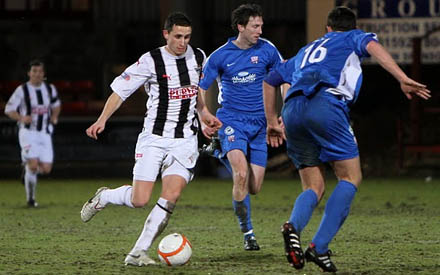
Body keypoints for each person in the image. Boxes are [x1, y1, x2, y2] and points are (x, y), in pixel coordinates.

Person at [263, 6, 431, 272]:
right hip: (326, 104)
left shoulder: (307, 50)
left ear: (327, 28)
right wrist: (402, 78)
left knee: (313, 187)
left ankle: (293, 226)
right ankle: (318, 247)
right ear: (352, 28)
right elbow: (373, 46)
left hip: (292, 110)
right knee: (350, 177)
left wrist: (272, 121)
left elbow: (271, 79)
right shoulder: (353, 37)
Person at [80, 12, 221, 266]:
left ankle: (137, 253)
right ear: (166, 34)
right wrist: (102, 119)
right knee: (140, 199)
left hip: (184, 141)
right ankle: (105, 197)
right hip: (154, 138)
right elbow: (120, 91)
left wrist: (205, 115)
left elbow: (195, 96)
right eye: (177, 36)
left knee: (171, 196)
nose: (183, 42)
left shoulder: (199, 57)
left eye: (187, 37)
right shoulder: (151, 60)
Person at [198, 3, 283, 251]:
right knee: (241, 175)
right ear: (241, 27)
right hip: (232, 121)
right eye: (255, 26)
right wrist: (204, 114)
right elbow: (200, 89)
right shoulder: (220, 55)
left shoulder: (268, 50)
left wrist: (281, 116)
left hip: (260, 126)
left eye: (261, 25)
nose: (260, 30)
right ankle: (248, 233)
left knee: (254, 187)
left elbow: (283, 78)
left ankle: (217, 151)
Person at [4, 60, 61, 207]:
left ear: (43, 74)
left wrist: (54, 116)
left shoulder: (49, 89)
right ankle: (31, 199)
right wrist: (21, 117)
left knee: (46, 169)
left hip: (45, 132)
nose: (37, 74)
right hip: (28, 132)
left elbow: (56, 105)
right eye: (34, 71)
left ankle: (27, 169)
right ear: (29, 73)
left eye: (40, 71)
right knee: (34, 165)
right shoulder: (22, 90)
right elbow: (9, 110)